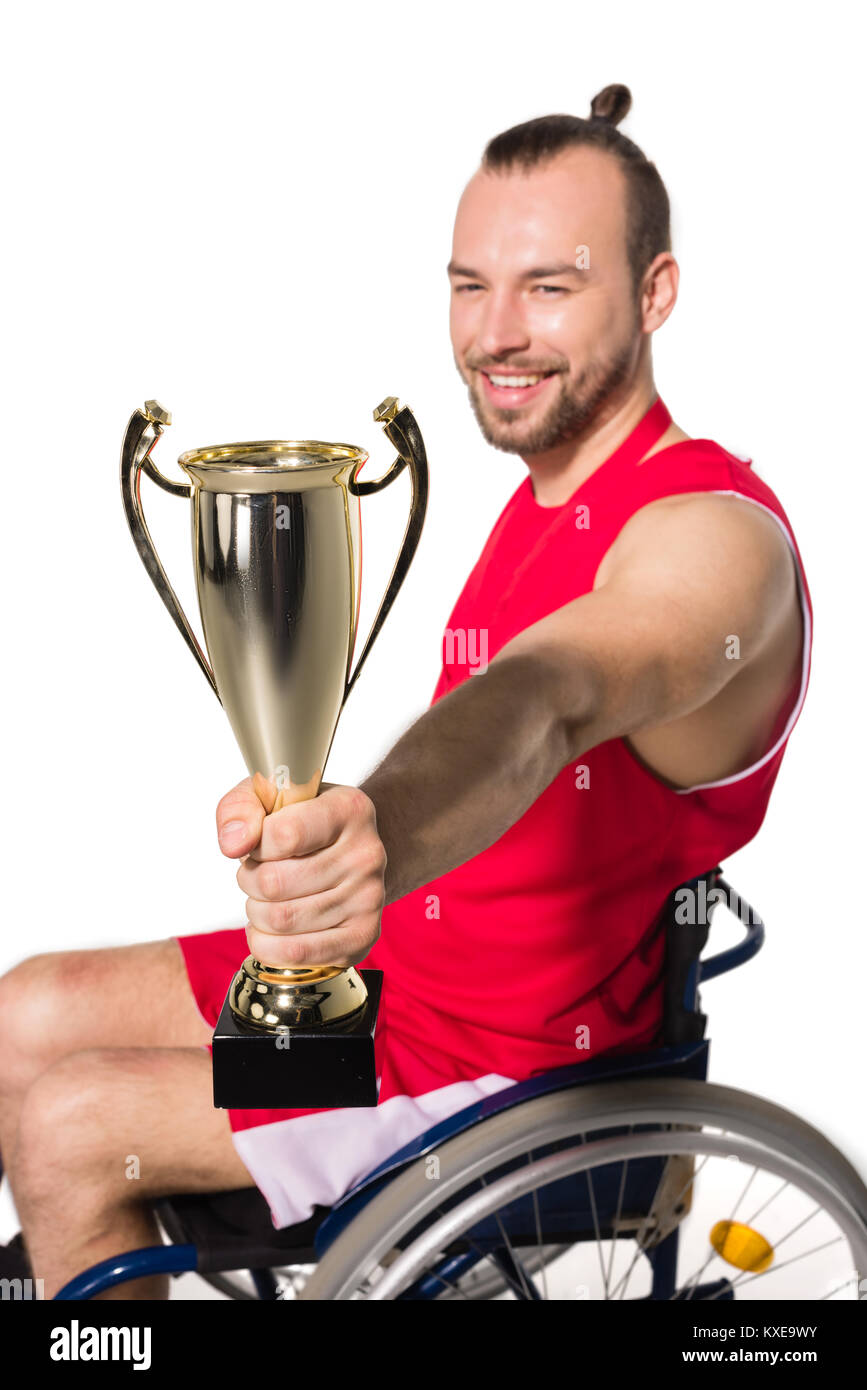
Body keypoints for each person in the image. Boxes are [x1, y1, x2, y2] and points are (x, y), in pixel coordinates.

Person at [0, 83, 810, 1298]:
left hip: (502, 1069)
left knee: (73, 1124)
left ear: (656, 295)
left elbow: (550, 696)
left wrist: (372, 833)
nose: (497, 332)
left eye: (550, 286)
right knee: (28, 1011)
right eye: (469, 284)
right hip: (393, 990)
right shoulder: (542, 495)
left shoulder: (714, 540)